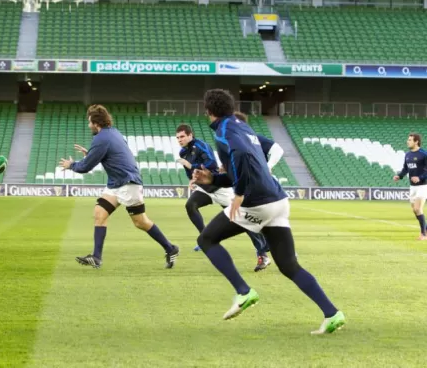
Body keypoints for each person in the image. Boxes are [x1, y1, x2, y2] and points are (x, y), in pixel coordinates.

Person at [192, 89, 345, 335]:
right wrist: (212, 178)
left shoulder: (224, 132)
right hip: (278, 201)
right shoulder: (242, 126)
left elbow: (241, 159)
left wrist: (239, 192)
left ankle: (243, 292)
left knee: (207, 239)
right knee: (288, 265)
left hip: (257, 203)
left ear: (208, 111)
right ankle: (332, 313)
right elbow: (242, 167)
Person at [59, 104, 179, 269]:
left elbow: (85, 167)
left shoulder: (101, 139)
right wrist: (90, 155)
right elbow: (111, 155)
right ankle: (97, 257)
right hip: (118, 183)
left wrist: (71, 165)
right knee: (100, 213)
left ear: (96, 122)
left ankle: (170, 248)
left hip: (127, 184)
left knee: (140, 221)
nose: (88, 126)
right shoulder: (113, 133)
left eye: (89, 122)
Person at [175, 124, 271, 272]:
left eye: (182, 136)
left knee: (243, 221)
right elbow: (191, 173)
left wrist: (190, 165)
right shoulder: (183, 152)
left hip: (219, 187)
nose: (179, 140)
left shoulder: (201, 145)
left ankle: (264, 252)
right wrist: (192, 179)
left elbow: (211, 164)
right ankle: (204, 238)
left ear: (190, 135)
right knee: (190, 205)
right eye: (177, 137)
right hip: (206, 188)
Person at [393, 133, 427, 240]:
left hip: (423, 185)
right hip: (412, 187)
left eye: (410, 140)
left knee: (418, 208)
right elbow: (405, 169)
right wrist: (399, 176)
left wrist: (420, 177)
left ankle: (424, 234)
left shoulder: (424, 154)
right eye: (408, 139)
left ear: (416, 141)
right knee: (414, 210)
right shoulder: (407, 154)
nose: (407, 141)